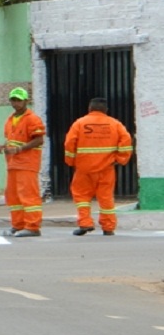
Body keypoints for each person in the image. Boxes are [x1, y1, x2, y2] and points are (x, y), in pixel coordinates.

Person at [63, 97, 133, 236]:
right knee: (106, 198)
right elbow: (126, 141)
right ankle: (108, 227)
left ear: (90, 109)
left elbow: (69, 144)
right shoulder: (115, 124)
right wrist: (120, 159)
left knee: (81, 196)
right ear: (106, 110)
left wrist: (71, 161)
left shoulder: (79, 123)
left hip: (84, 168)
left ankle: (85, 223)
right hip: (106, 169)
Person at [0, 87, 45, 237]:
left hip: (27, 163)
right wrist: (3, 147)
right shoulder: (11, 119)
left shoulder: (32, 119)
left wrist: (19, 149)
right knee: (13, 196)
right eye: (13, 100)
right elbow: (12, 140)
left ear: (26, 101)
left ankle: (32, 226)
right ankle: (18, 225)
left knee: (28, 195)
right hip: (13, 163)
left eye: (19, 100)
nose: (16, 103)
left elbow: (39, 139)